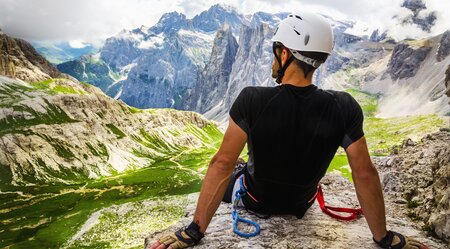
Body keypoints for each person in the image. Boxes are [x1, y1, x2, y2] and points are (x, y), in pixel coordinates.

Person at [148, 12, 429, 249]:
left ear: (284, 53)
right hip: (301, 203)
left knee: (238, 170)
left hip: (254, 199)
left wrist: (194, 231)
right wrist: (384, 238)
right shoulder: (345, 106)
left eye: (275, 51)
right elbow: (365, 172)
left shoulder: (252, 99)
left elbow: (222, 163)